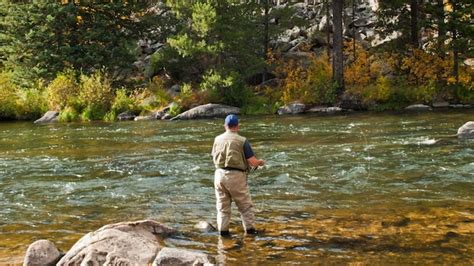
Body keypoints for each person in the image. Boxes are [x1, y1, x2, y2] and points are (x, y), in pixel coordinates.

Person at [212, 114, 265, 237]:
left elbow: (214, 156)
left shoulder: (217, 139)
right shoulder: (242, 141)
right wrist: (260, 162)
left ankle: (223, 233)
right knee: (245, 206)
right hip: (236, 176)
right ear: (238, 126)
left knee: (222, 207)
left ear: (225, 126)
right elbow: (252, 162)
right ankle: (251, 232)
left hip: (219, 175)